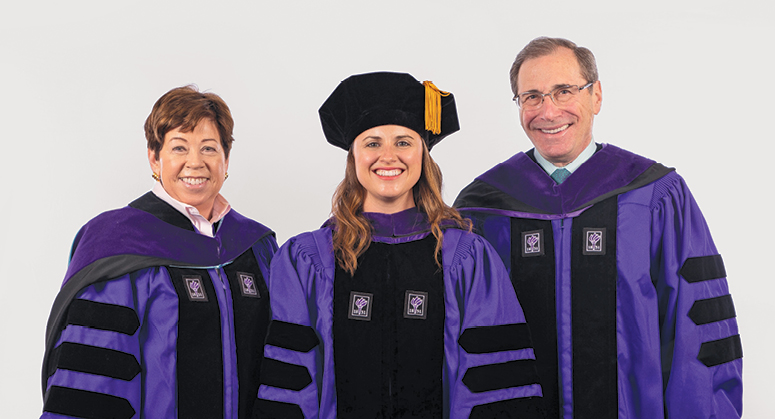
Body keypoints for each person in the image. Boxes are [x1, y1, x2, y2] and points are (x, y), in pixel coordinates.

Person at [454, 37, 743, 418]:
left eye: (564, 91)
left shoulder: (654, 195)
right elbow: (457, 343)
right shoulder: (483, 208)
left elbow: (698, 330)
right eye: (532, 97)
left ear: (596, 96)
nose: (548, 110)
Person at [254, 72, 543, 418]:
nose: (388, 156)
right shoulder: (308, 261)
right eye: (372, 143)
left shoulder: (467, 258)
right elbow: (290, 387)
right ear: (353, 158)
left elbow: (496, 387)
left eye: (403, 142)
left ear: (423, 155)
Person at [41, 85, 278, 419]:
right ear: (155, 157)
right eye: (179, 148)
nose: (195, 162)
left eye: (209, 148)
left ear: (226, 160)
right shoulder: (119, 242)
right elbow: (95, 378)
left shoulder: (257, 246)